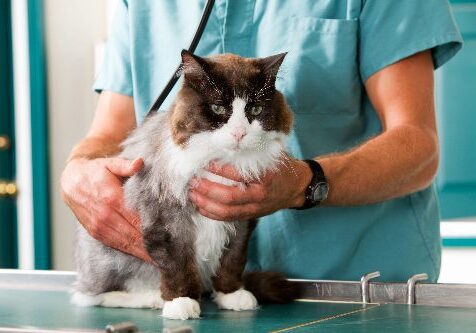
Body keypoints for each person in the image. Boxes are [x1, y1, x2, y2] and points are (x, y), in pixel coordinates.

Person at [61, 0, 462, 282]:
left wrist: (304, 183)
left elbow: (418, 146)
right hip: (202, 295)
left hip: (355, 286)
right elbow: (109, 136)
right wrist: (77, 173)